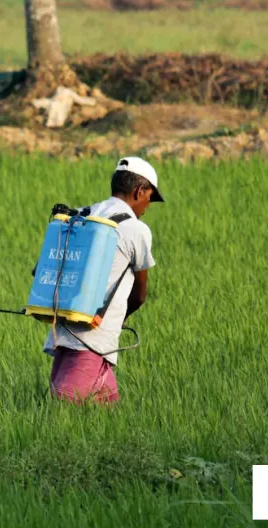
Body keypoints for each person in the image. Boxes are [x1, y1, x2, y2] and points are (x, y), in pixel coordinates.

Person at [43, 156, 164, 405]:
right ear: (139, 191)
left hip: (64, 328)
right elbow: (140, 295)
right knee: (64, 407)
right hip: (94, 338)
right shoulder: (136, 229)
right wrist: (118, 320)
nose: (147, 207)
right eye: (149, 198)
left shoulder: (83, 214)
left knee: (105, 412)